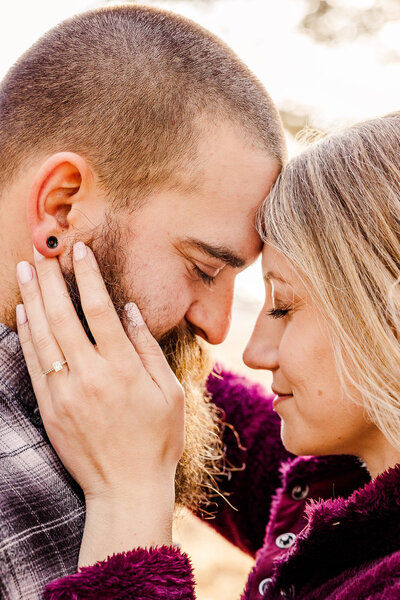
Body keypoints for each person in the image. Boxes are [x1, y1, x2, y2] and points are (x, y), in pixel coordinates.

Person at [17, 113, 400, 599]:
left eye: (282, 305)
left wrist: (129, 497)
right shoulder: (346, 484)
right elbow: (233, 432)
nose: (251, 351)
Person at [0, 4, 289, 598]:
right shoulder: (17, 476)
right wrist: (130, 499)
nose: (216, 328)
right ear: (62, 207)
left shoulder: (89, 392)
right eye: (203, 267)